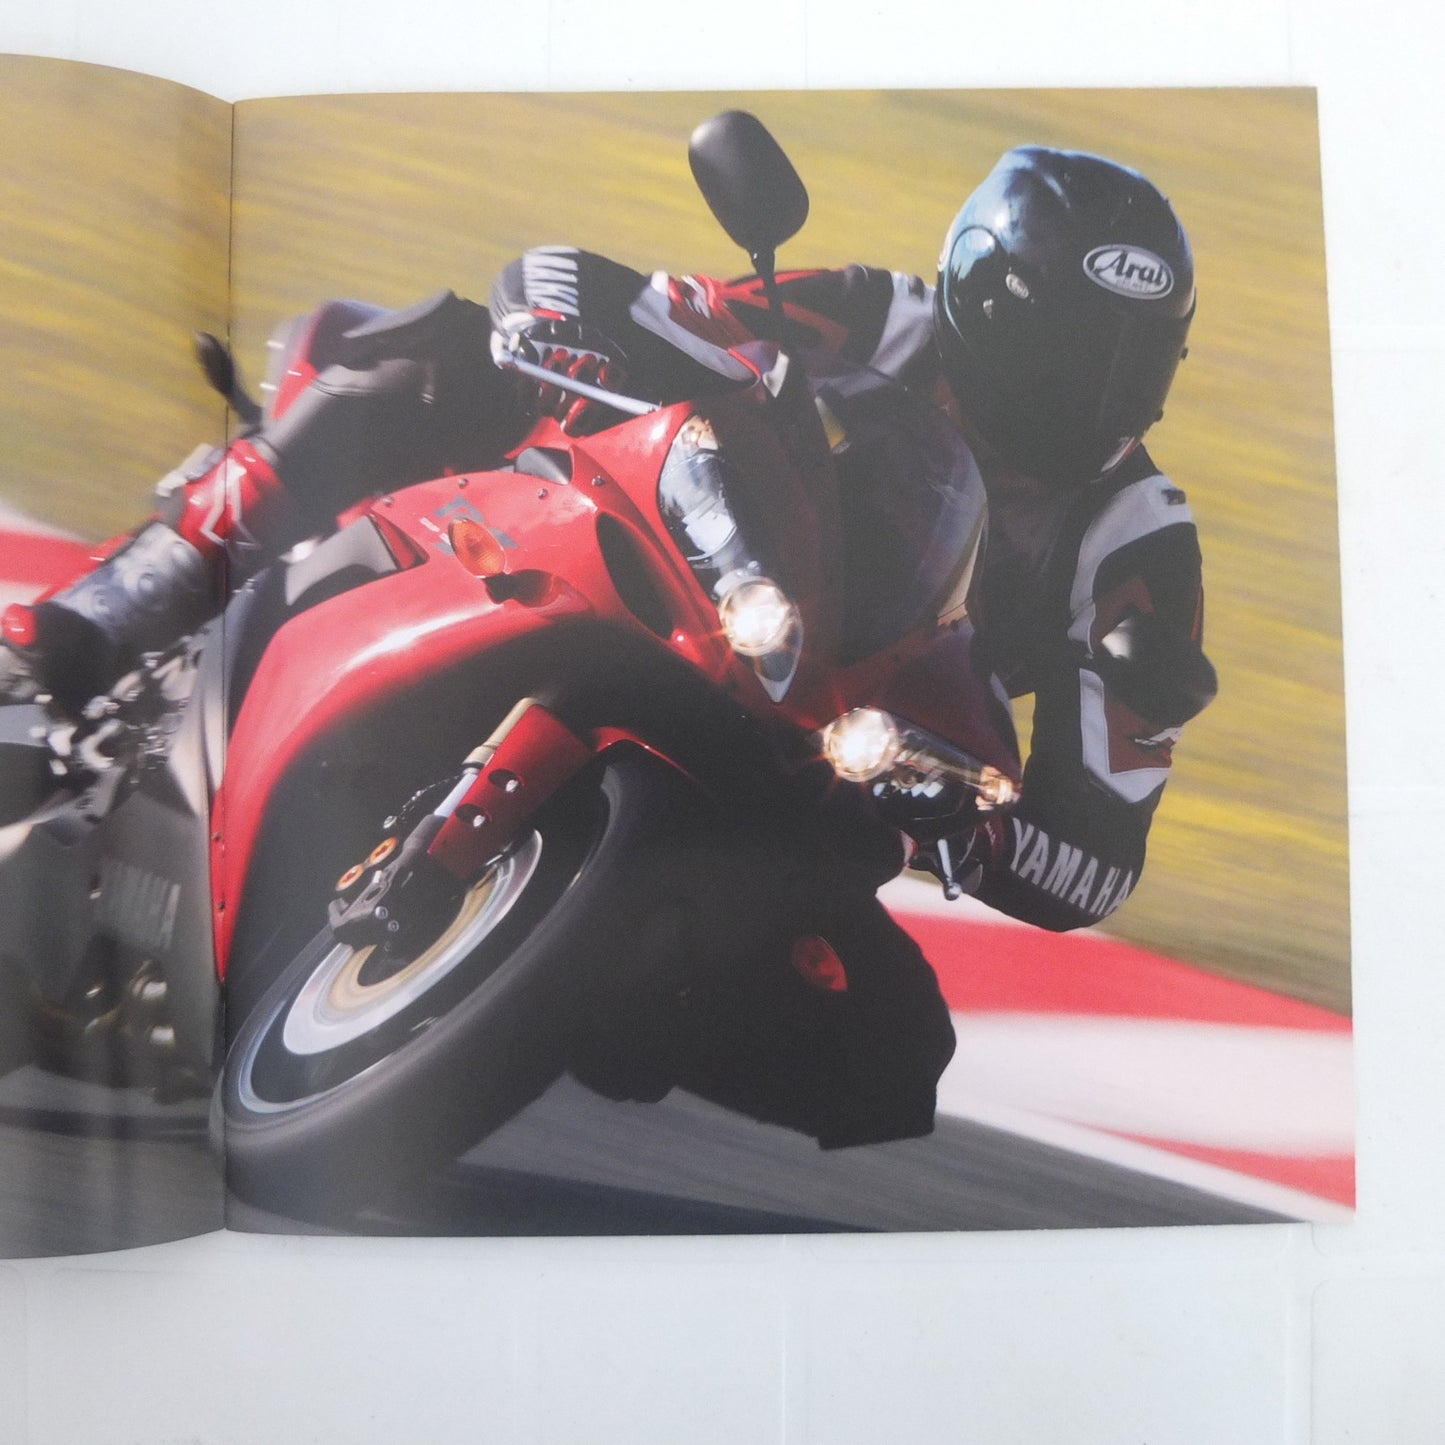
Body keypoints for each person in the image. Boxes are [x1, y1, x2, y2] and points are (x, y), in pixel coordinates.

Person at [0, 144, 1213, 937]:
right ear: (984, 303)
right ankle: (96, 621)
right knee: (423, 352)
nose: (1097, 393)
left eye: (1133, 359)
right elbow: (643, 304)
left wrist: (973, 827)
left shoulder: (1139, 546)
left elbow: (1096, 859)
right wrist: (560, 327)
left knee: (883, 1050)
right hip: (692, 580)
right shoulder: (875, 314)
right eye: (1071, 352)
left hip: (816, 761)